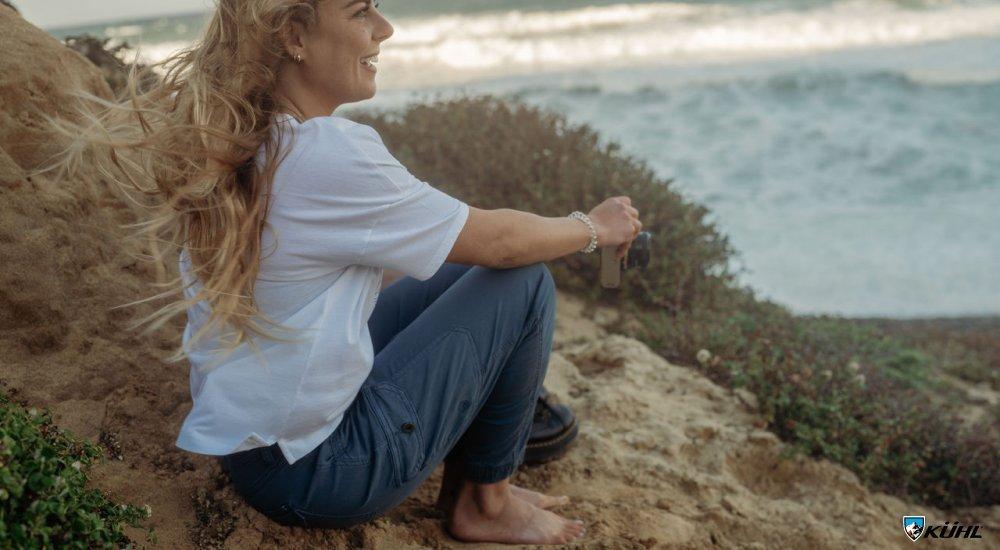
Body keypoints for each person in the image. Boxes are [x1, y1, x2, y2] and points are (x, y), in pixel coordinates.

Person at [46, 0, 641, 545]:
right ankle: (487, 504)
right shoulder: (327, 154)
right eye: (360, 12)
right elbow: (502, 244)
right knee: (523, 281)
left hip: (259, 450)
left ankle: (480, 476)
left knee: (457, 278)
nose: (385, 29)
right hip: (320, 474)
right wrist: (594, 227)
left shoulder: (248, 138)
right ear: (294, 37)